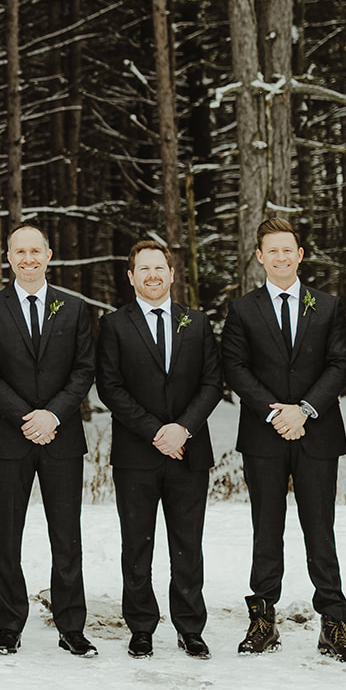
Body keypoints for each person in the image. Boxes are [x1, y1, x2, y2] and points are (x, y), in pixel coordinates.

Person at [221, 217, 346, 661]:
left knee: (321, 528)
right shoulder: (243, 309)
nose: (281, 257)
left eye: (288, 250)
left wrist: (304, 409)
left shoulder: (329, 305)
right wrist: (274, 412)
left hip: (316, 431)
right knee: (267, 528)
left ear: (300, 255)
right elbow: (235, 368)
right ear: (260, 257)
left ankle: (334, 622)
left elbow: (340, 363)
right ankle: (263, 617)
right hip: (264, 435)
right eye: (272, 251)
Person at [0, 224, 97, 656]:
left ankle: (71, 626)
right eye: (19, 252)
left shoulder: (76, 308)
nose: (28, 259)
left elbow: (84, 371)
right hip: (11, 436)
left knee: (67, 535)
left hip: (62, 436)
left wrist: (52, 414)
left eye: (35, 251)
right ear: (8, 258)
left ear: (48, 255)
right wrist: (27, 416)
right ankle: (10, 625)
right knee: (7, 534)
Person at [96, 240, 222, 660]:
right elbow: (110, 387)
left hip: (188, 451)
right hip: (137, 454)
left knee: (188, 544)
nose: (152, 275)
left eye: (159, 268)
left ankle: (190, 627)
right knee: (137, 544)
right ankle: (141, 627)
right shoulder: (114, 325)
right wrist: (156, 432)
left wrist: (182, 429)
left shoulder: (197, 322)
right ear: (131, 277)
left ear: (171, 274)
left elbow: (212, 384)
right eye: (143, 269)